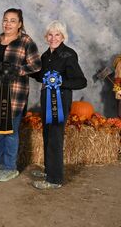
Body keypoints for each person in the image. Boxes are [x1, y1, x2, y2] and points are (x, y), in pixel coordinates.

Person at [0, 8, 41, 182]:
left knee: (11, 131)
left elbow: (36, 65)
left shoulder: (26, 41)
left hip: (14, 94)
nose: (8, 23)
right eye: (5, 20)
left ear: (20, 24)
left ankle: (10, 167)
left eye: (12, 20)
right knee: (0, 131)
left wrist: (17, 70)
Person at [30, 20, 87, 189]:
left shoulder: (69, 55)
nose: (53, 38)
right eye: (50, 34)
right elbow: (41, 76)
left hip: (60, 102)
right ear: (46, 36)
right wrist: (25, 70)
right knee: (48, 135)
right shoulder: (46, 55)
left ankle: (54, 180)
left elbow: (81, 81)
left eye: (57, 35)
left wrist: (60, 83)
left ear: (63, 36)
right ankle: (49, 170)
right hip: (46, 100)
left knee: (55, 138)